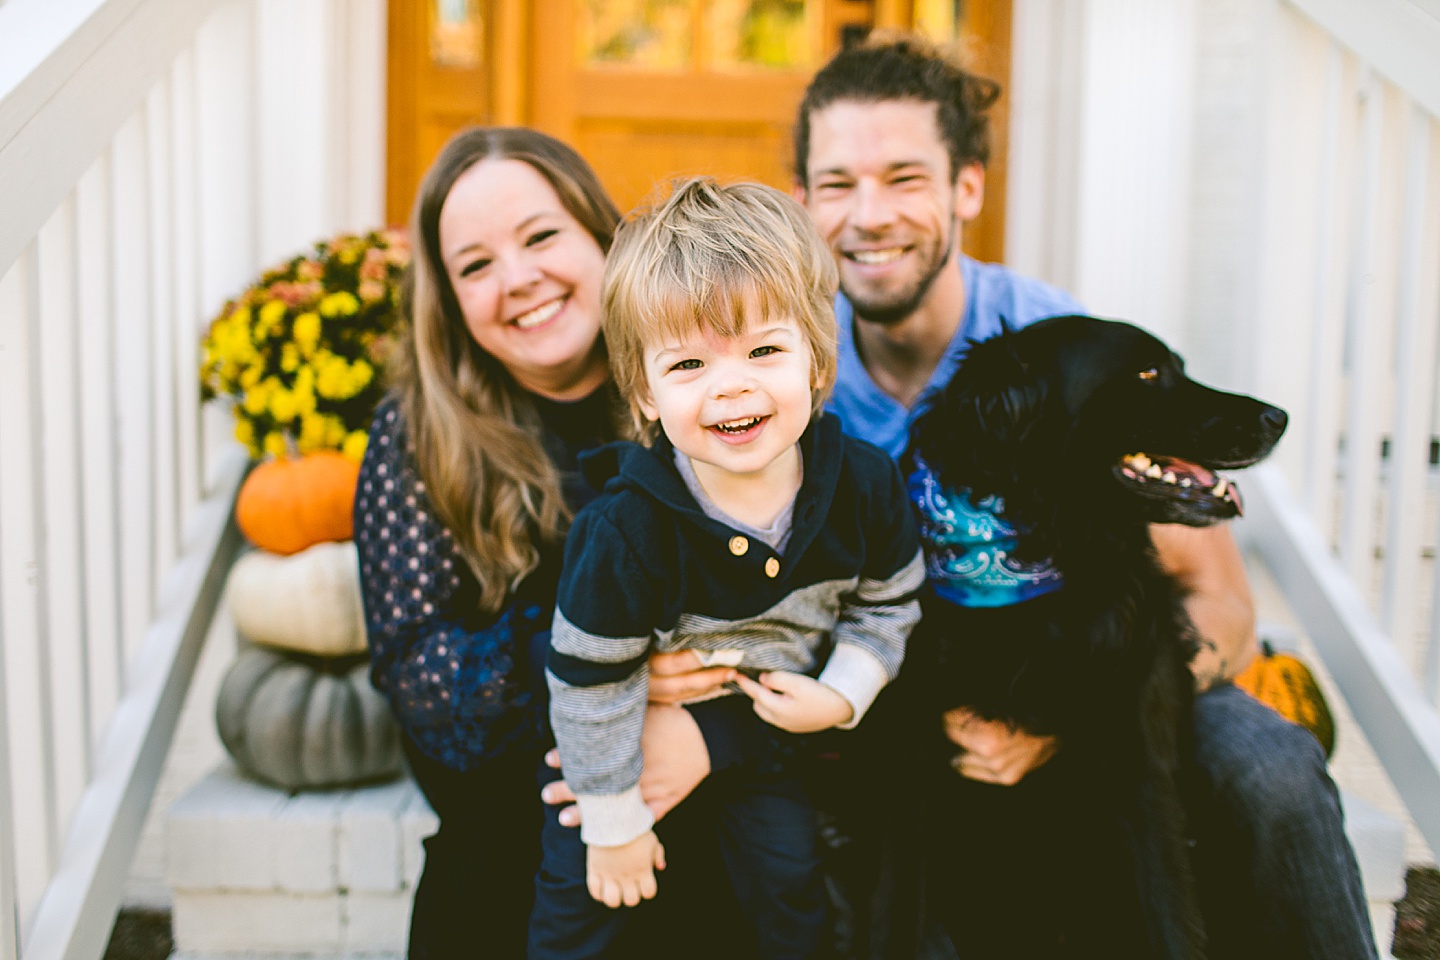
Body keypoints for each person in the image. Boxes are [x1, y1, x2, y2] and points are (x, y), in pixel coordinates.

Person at [782, 34, 1377, 960]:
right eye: (837, 183)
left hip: (1105, 688)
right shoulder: (779, 375)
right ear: (803, 201)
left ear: (965, 188)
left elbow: (1222, 605)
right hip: (897, 705)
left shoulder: (1058, 350)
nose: (869, 215)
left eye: (904, 177)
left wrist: (1070, 728)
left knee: (1272, 769)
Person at [530, 178, 924, 960]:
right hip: (627, 743)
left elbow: (889, 604)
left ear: (817, 359)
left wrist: (843, 696)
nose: (732, 384)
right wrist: (612, 823)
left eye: (765, 350)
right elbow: (588, 683)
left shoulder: (865, 488)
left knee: (792, 888)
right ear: (643, 390)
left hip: (768, 738)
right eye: (688, 365)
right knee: (586, 895)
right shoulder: (626, 530)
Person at [354, 126, 708, 959]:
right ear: (448, 298)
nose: (519, 280)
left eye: (542, 236)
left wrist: (701, 734)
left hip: (698, 810)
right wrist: (604, 661)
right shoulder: (417, 438)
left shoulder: (700, 387)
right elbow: (426, 690)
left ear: (602, 235)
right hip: (511, 834)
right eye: (475, 265)